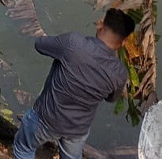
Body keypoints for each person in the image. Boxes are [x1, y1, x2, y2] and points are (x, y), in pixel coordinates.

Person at [13, 8, 136, 159]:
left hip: (46, 118)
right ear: (123, 42)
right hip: (78, 129)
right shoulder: (119, 72)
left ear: (100, 24)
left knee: (23, 148)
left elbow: (39, 44)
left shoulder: (73, 43)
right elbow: (111, 98)